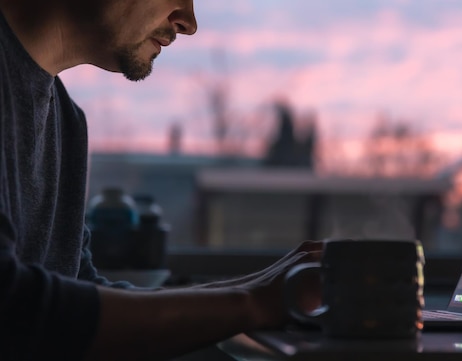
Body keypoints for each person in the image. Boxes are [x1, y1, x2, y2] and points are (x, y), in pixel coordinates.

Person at [0, 1, 322, 360]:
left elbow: (79, 293)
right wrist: (253, 302)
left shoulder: (67, 122)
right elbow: (14, 310)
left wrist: (259, 285)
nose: (188, 22)